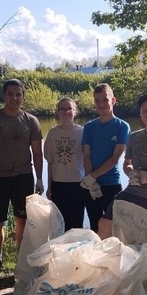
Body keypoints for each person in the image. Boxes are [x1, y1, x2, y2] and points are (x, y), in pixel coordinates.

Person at [97, 94, 147, 292]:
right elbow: (126, 163)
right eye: (144, 111)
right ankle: (106, 271)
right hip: (133, 191)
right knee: (104, 223)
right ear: (140, 113)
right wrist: (130, 172)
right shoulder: (134, 136)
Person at [0, 78, 43, 273]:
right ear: (3, 96)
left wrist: (39, 178)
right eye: (10, 94)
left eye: (18, 94)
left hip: (23, 177)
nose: (14, 98)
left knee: (22, 220)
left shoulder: (31, 121)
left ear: (23, 96)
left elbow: (37, 153)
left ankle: (21, 260)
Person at [81, 83, 130, 233]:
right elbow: (86, 155)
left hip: (111, 184)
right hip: (91, 185)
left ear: (113, 100)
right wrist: (92, 181)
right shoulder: (89, 127)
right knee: (95, 227)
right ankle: (97, 256)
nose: (101, 104)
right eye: (97, 101)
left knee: (114, 227)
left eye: (105, 100)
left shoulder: (122, 126)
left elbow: (115, 158)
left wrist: (92, 177)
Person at [44, 97, 85, 230]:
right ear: (58, 112)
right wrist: (49, 187)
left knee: (76, 224)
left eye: (69, 109)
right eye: (63, 109)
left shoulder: (83, 132)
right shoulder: (52, 133)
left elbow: (89, 160)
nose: (66, 112)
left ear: (75, 112)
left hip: (78, 184)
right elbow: (50, 163)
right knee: (59, 224)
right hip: (58, 185)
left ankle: (77, 250)